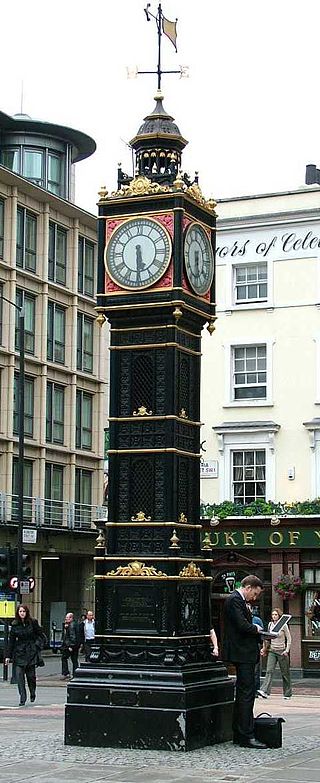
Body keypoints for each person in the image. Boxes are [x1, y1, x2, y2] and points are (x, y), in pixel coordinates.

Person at [222, 574, 267, 748]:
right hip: (242, 653)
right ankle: (245, 735)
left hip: (245, 653)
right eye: (254, 594)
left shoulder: (239, 601)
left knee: (245, 693)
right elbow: (242, 626)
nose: (255, 598)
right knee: (246, 694)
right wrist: (257, 629)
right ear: (248, 588)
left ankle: (242, 733)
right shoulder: (234, 600)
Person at [5, 604, 46, 706]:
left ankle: (32, 692)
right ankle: (22, 697)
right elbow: (11, 642)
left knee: (31, 676)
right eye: (20, 611)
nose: (22, 613)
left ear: (27, 612)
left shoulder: (33, 622)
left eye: (24, 611)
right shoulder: (14, 625)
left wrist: (37, 646)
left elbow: (41, 636)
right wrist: (7, 656)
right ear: (17, 613)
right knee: (19, 676)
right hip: (19, 652)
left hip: (31, 651)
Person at [257, 608, 292, 699]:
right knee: (269, 671)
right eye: (273, 615)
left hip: (281, 651)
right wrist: (264, 649)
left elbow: (289, 638)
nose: (274, 616)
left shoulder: (283, 625)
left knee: (285, 673)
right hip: (272, 650)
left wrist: (286, 650)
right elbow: (268, 639)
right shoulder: (270, 624)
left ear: (279, 616)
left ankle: (287, 693)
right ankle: (265, 691)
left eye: (276, 614)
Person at [60, 612, 79, 679]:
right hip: (75, 645)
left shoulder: (71, 625)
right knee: (74, 660)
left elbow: (72, 636)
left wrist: (70, 646)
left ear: (71, 618)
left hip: (70, 645)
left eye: (67, 618)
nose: (66, 619)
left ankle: (66, 672)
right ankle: (75, 673)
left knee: (64, 658)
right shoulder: (74, 624)